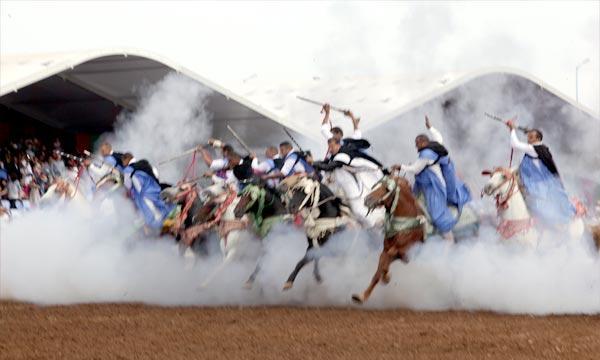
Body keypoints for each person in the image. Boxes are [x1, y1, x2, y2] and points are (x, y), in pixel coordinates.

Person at [393, 116, 471, 238]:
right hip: (429, 180)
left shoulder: (426, 153)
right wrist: (431, 128)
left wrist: (401, 167)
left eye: (417, 143)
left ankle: (447, 233)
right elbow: (438, 138)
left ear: (423, 142)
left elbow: (416, 168)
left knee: (436, 214)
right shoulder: (433, 146)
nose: (416, 146)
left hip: (434, 184)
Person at [506, 120, 575, 225]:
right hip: (542, 181)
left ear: (538, 138)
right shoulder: (541, 148)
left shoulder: (534, 148)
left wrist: (512, 129)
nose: (528, 139)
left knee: (534, 204)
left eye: (531, 137)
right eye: (528, 137)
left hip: (538, 183)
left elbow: (515, 144)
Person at [122, 153, 175, 230]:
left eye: (123, 162)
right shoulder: (144, 162)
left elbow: (128, 185)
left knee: (155, 215)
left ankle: (166, 226)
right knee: (163, 207)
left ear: (125, 161)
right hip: (157, 188)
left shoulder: (127, 170)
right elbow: (156, 174)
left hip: (145, 195)